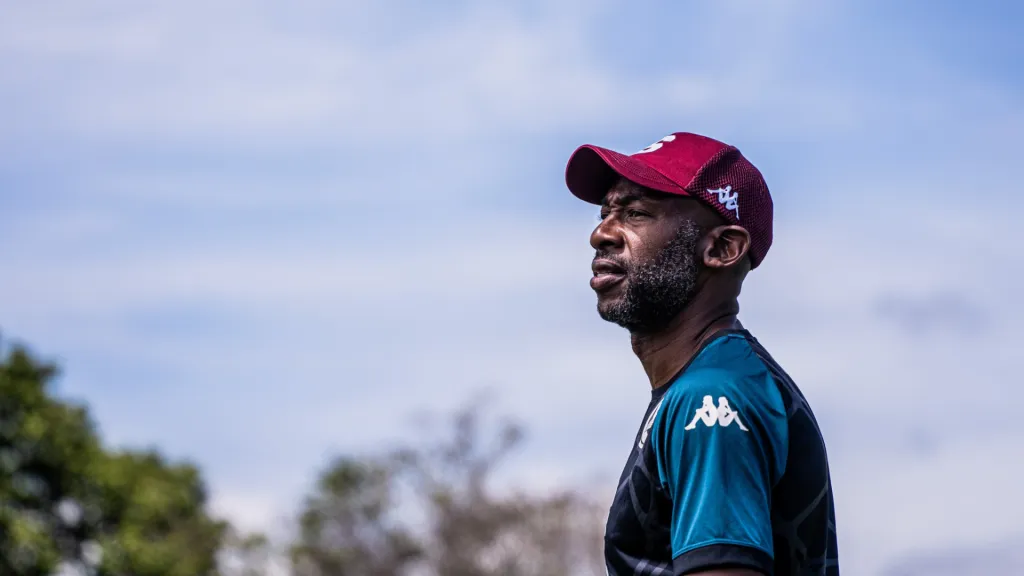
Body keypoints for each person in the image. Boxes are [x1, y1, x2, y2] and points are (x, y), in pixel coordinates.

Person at [564, 132, 839, 576]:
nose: (601, 234)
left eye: (635, 213)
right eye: (605, 213)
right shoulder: (714, 384)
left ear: (723, 249)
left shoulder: (711, 400)